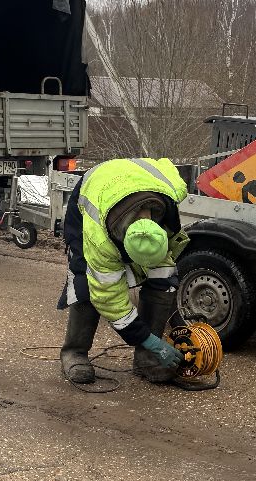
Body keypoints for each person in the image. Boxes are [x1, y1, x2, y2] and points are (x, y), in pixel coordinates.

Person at [58, 157, 191, 385]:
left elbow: (165, 273)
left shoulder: (165, 212)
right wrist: (148, 338)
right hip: (92, 195)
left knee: (164, 281)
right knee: (86, 282)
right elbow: (109, 298)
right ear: (123, 247)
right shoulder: (101, 241)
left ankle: (146, 359)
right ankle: (75, 353)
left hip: (136, 180)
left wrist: (171, 306)